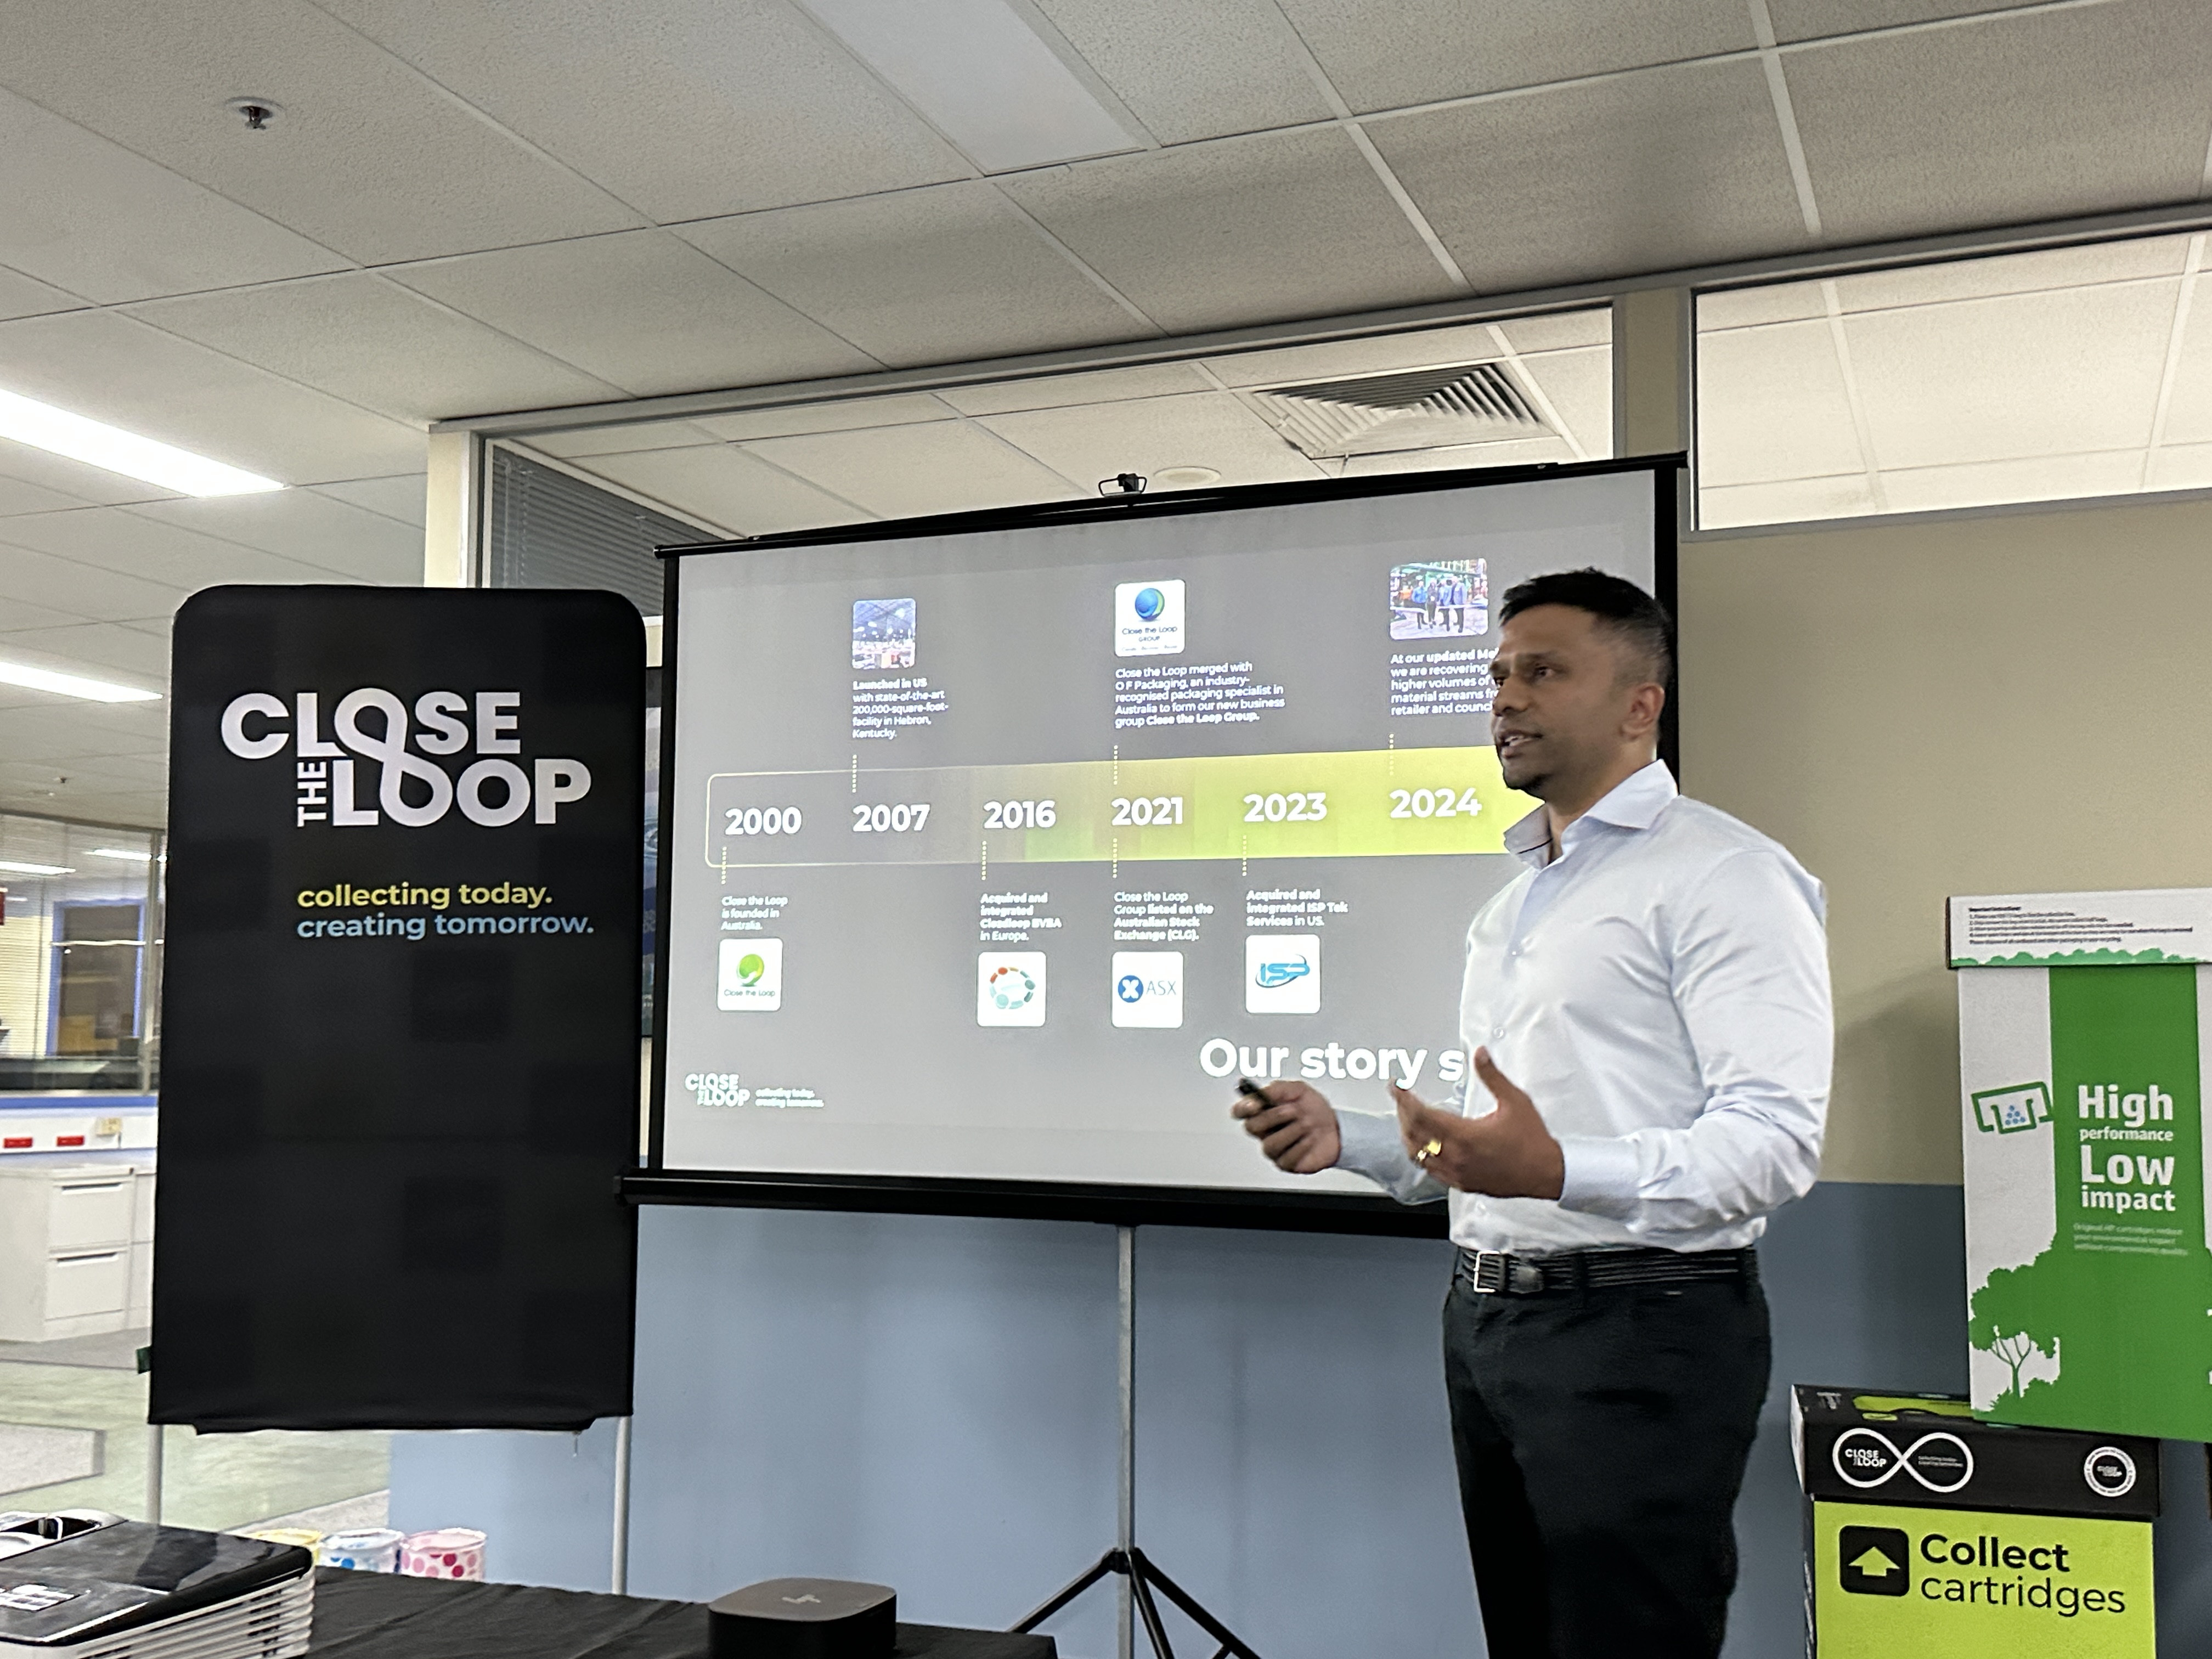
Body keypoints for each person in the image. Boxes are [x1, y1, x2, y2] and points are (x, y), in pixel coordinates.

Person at [1233, 568, 1830, 1659]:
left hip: (1643, 1327)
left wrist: (1559, 1171)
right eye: (1499, 675)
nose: (1507, 698)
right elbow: (1490, 1155)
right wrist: (1351, 1140)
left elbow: (1775, 1146)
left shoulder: (1727, 877)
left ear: (1641, 704)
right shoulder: (1513, 908)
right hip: (1486, 1323)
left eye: (1544, 672)